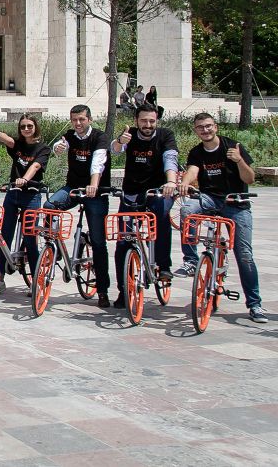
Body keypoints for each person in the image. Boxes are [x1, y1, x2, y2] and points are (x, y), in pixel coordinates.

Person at [176, 113, 265, 323]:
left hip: (236, 203)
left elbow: (250, 178)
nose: (205, 130)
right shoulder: (197, 152)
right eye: (200, 128)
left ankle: (255, 304)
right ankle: (190, 259)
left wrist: (240, 160)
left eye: (208, 126)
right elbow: (192, 171)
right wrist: (185, 184)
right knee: (187, 210)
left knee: (244, 254)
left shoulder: (233, 147)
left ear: (215, 127)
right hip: (210, 199)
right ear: (195, 130)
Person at [110, 103, 178, 307]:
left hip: (158, 191)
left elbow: (170, 158)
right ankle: (124, 289)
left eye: (151, 121)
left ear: (156, 121)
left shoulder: (165, 135)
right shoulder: (129, 134)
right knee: (123, 242)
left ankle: (164, 265)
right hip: (131, 193)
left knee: (162, 217)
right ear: (136, 121)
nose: (148, 125)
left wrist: (171, 181)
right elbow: (115, 149)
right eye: (143, 121)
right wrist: (120, 141)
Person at [46, 104, 113, 308]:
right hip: (73, 188)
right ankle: (57, 249)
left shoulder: (100, 137)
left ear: (89, 119)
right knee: (49, 206)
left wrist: (93, 185)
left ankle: (102, 290)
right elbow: (61, 145)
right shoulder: (70, 134)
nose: (78, 124)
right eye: (74, 120)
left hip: (95, 191)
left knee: (99, 242)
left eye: (82, 119)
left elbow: (98, 162)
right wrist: (58, 148)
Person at [0, 115, 50, 296]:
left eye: (29, 126)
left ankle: (36, 281)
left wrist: (25, 179)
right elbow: (10, 142)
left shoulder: (43, 148)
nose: (26, 129)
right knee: (4, 236)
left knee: (30, 237)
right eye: (22, 126)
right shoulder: (19, 145)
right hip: (13, 194)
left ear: (35, 127)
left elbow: (36, 166)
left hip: (31, 195)